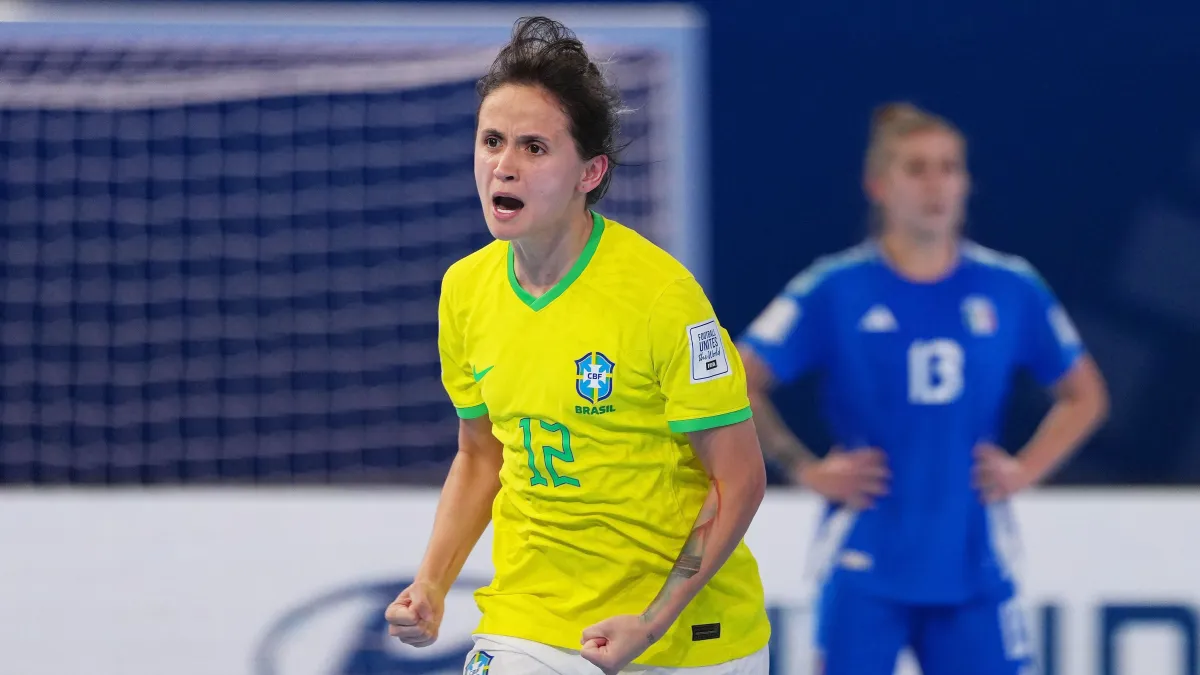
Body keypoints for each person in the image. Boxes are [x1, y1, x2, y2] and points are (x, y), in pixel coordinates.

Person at [383, 16, 772, 675]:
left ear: (589, 172)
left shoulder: (661, 298)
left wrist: (653, 621)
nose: (504, 166)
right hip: (532, 621)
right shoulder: (465, 290)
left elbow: (740, 480)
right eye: (491, 141)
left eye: (534, 147)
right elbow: (480, 454)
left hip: (685, 638)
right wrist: (432, 583)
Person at [737, 102, 1109, 674]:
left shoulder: (1010, 287)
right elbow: (736, 381)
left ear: (966, 182)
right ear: (878, 185)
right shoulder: (834, 288)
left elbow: (1085, 395)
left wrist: (1025, 469)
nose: (936, 185)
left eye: (949, 167)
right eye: (916, 168)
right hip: (865, 559)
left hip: (973, 560)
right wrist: (802, 466)